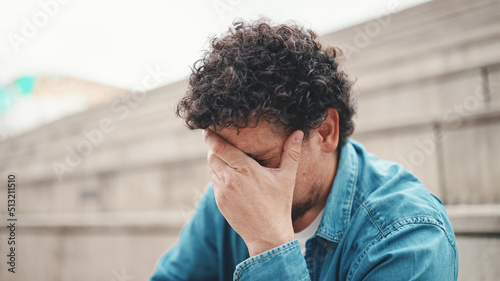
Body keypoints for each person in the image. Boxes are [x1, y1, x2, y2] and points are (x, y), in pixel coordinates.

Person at [150, 18, 458, 281]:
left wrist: (270, 246)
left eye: (261, 161)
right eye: (228, 161)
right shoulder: (231, 187)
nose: (241, 179)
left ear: (325, 131)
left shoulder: (409, 238)